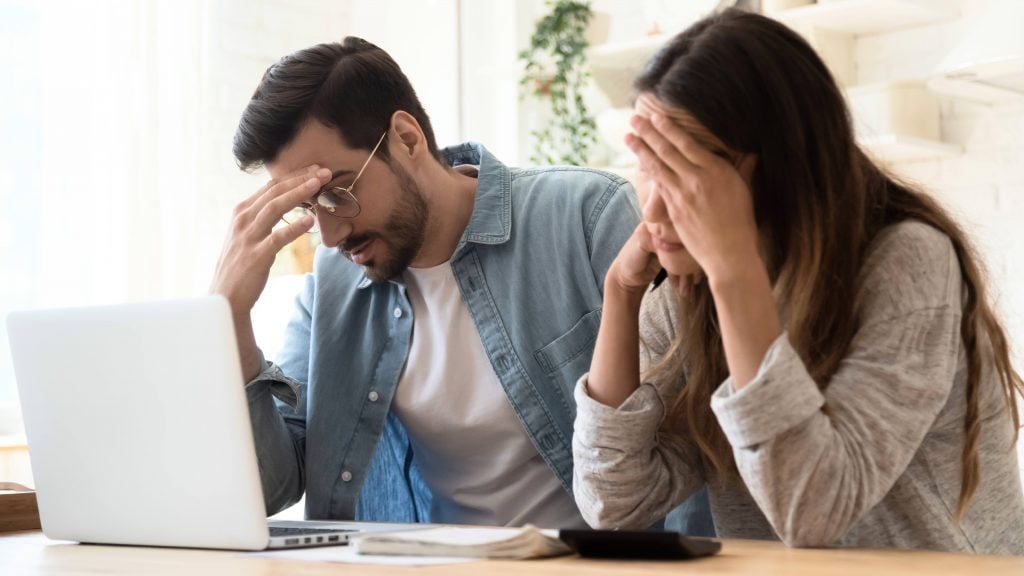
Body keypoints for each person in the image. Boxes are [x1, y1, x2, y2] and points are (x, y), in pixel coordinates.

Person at [571, 9, 1024, 554]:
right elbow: (613, 504)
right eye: (645, 163)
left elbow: (816, 512)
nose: (653, 205)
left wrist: (733, 268)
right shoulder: (687, 295)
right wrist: (620, 295)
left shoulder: (907, 261)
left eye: (680, 170)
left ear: (768, 167)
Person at [209, 35, 657, 528]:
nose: (331, 235)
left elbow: (685, 439)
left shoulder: (585, 218)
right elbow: (273, 487)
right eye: (308, 207)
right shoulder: (331, 286)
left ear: (406, 138)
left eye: (338, 192)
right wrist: (229, 319)